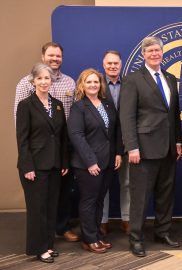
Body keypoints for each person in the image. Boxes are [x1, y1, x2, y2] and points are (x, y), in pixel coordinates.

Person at [120, 36, 182, 257]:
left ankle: (162, 232)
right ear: (143, 54)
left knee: (166, 193)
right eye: (151, 51)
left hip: (167, 148)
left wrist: (177, 141)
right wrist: (132, 147)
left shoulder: (170, 78)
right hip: (143, 149)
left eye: (158, 50)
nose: (155, 54)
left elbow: (173, 114)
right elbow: (126, 117)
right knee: (140, 197)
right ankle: (136, 238)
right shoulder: (133, 79)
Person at [14, 42, 79, 242]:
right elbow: (21, 125)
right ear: (43, 56)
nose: (55, 59)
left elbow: (74, 113)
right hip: (38, 149)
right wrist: (27, 161)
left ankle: (60, 229)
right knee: (40, 201)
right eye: (51, 55)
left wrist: (66, 153)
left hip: (63, 147)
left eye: (58, 56)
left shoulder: (69, 83)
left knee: (61, 195)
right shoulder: (25, 84)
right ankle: (40, 240)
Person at [16, 63, 69, 263]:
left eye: (47, 78)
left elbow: (62, 137)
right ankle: (38, 248)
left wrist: (64, 161)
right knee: (37, 209)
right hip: (34, 166)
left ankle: (48, 245)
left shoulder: (57, 104)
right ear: (33, 81)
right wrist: (27, 165)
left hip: (55, 165)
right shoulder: (26, 105)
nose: (44, 82)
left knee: (50, 207)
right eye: (40, 78)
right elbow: (22, 139)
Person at [67, 69, 123, 253]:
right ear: (82, 85)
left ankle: (96, 235)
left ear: (101, 84)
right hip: (88, 164)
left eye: (96, 82)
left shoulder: (107, 104)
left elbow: (114, 132)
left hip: (107, 162)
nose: (93, 85)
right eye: (89, 82)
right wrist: (90, 162)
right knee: (89, 201)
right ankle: (88, 238)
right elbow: (76, 136)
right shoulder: (79, 106)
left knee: (99, 200)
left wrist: (117, 153)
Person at [100, 50, 130, 236]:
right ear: (104, 65)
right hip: (103, 143)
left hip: (126, 142)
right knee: (103, 184)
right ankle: (102, 220)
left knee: (127, 182)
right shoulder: (96, 84)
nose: (112, 66)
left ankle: (126, 218)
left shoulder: (129, 84)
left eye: (116, 63)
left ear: (121, 65)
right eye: (109, 63)